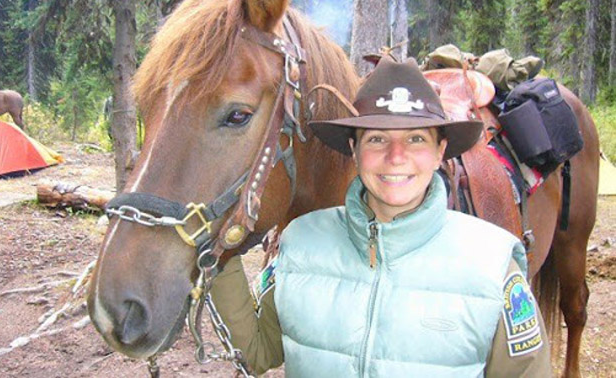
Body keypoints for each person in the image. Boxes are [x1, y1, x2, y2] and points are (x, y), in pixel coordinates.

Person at [210, 56, 552, 377]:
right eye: (376, 139)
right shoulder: (300, 243)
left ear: (439, 152)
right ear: (355, 152)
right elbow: (254, 351)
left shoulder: (493, 266)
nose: (396, 156)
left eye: (416, 138)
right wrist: (220, 251)